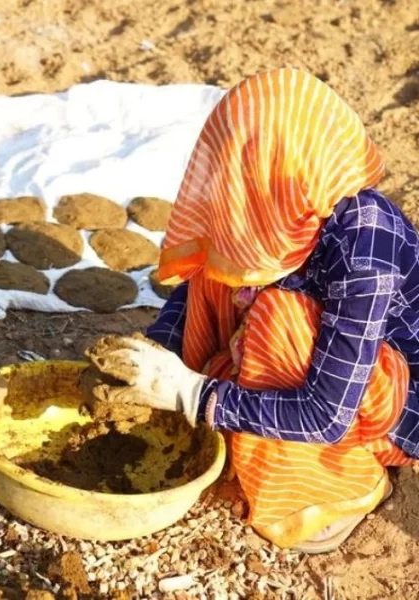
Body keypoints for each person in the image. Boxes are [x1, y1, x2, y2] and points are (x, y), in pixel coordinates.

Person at [93, 68, 419, 553]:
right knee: (220, 263)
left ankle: (334, 487)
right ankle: (221, 415)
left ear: (287, 167)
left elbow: (325, 414)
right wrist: (150, 356)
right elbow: (204, 284)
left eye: (247, 171)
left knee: (277, 321)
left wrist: (190, 392)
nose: (234, 185)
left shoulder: (363, 253)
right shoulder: (284, 209)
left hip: (378, 408)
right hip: (311, 377)